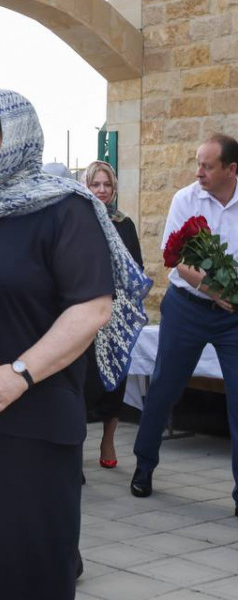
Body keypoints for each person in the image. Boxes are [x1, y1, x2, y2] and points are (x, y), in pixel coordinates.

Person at [0, 86, 148, 599]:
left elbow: (93, 307)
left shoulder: (65, 208)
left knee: (23, 569)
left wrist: (18, 373)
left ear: (15, 135)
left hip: (31, 422)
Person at [132, 134, 238, 510]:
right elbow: (175, 257)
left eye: (208, 166)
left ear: (231, 169)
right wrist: (215, 291)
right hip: (188, 308)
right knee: (163, 388)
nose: (199, 172)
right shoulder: (185, 199)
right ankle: (144, 466)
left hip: (233, 318)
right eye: (198, 163)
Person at [81, 160, 142, 470]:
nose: (102, 190)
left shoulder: (124, 223)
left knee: (114, 379)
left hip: (115, 313)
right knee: (82, 378)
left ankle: (108, 439)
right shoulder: (78, 220)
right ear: (86, 187)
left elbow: (136, 269)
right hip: (83, 310)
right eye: (96, 184)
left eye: (107, 185)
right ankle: (74, 446)